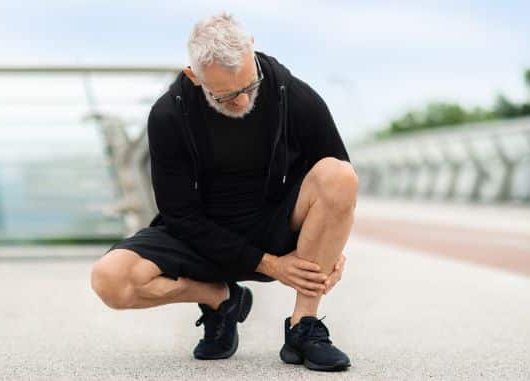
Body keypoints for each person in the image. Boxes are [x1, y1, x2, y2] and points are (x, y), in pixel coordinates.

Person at [91, 12, 358, 372]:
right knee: (110, 281)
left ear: (252, 49)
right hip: (199, 234)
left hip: (273, 224)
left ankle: (303, 327)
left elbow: (337, 181)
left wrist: (332, 252)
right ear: (194, 77)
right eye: (227, 95)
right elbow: (180, 216)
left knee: (339, 175)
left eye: (249, 86)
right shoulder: (169, 115)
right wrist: (269, 265)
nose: (242, 101)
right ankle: (222, 299)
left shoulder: (289, 93)